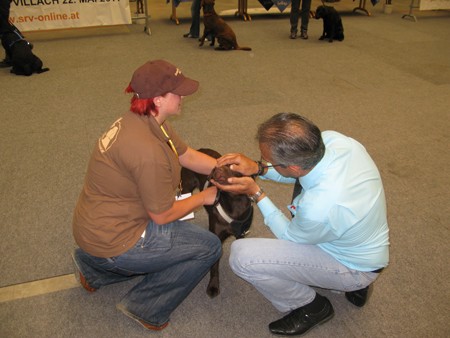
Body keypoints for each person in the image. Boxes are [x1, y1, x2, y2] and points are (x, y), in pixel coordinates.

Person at [72, 59, 222, 331]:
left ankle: (92, 268)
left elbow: (186, 155)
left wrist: (226, 170)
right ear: (158, 99)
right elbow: (162, 215)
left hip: (94, 225)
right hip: (117, 238)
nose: (184, 95)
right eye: (177, 91)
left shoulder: (145, 120)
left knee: (179, 233)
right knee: (209, 247)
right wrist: (203, 197)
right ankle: (145, 306)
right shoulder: (146, 150)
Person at [212, 113, 389, 336]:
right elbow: (300, 173)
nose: (264, 161)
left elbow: (289, 237)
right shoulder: (337, 141)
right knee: (311, 219)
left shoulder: (320, 205)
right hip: (361, 244)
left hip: (353, 267)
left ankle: (310, 307)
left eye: (267, 160)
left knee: (242, 256)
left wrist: (256, 193)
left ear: (292, 167)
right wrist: (259, 168)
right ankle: (350, 285)